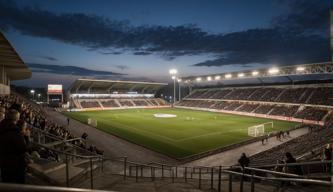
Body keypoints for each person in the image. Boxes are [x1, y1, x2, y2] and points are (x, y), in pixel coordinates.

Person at [0, 109, 29, 183]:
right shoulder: (15, 130)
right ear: (16, 118)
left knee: (7, 184)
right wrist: (26, 137)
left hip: (4, 163)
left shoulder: (2, 126)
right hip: (15, 165)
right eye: (18, 117)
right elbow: (23, 148)